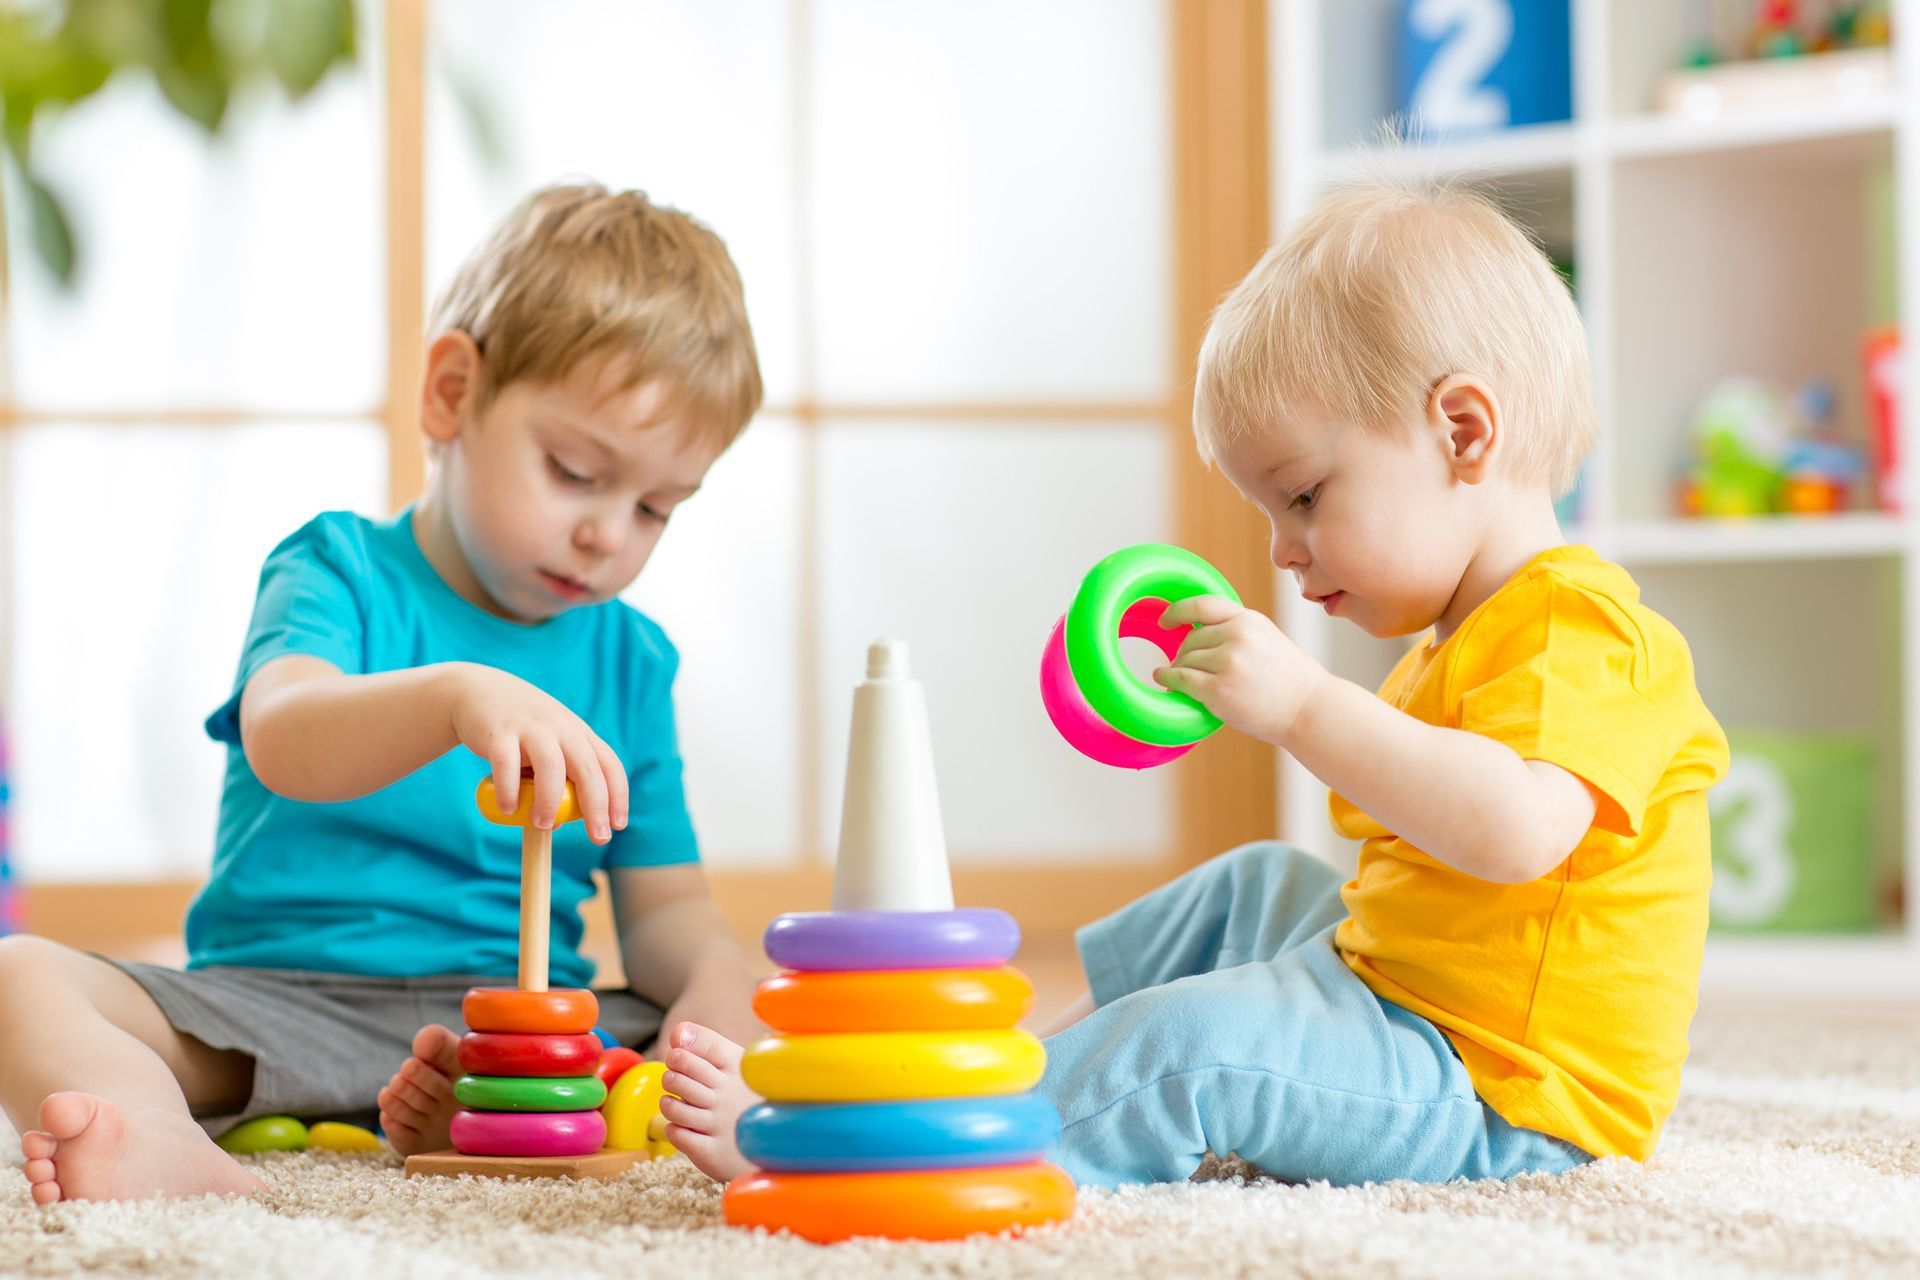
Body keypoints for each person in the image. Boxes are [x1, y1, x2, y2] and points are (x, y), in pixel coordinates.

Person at [3, 181, 766, 1203]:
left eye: (657, 507)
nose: (609, 533)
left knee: (770, 1016)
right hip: (281, 1010)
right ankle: (151, 1132)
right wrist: (456, 696)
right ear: (451, 392)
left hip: (524, 1037)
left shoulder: (633, 658)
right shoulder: (336, 571)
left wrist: (713, 995)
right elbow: (285, 736)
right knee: (18, 978)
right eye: (576, 472)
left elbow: (668, 903)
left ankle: (487, 1115)